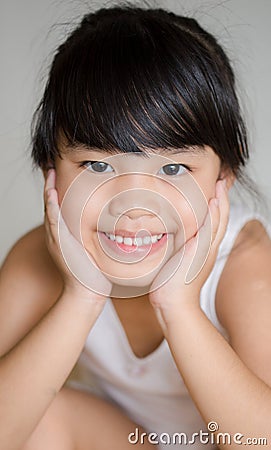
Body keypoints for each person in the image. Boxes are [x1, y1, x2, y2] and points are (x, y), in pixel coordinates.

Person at [0, 5, 271, 450]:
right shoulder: (39, 259)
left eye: (174, 169)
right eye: (99, 164)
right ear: (51, 168)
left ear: (223, 180)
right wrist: (81, 297)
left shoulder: (242, 263)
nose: (134, 205)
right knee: (40, 419)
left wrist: (178, 306)